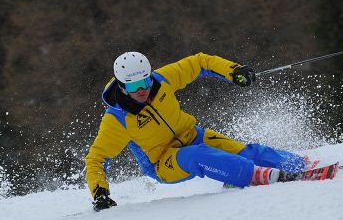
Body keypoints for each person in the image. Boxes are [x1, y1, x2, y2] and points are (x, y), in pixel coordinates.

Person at [85, 52, 308, 211]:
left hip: (192, 135)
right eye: (134, 87)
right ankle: (251, 176)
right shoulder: (117, 119)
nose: (142, 90)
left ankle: (299, 164)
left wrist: (233, 71)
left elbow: (199, 62)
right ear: (123, 86)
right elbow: (96, 158)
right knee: (197, 155)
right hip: (164, 162)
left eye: (145, 81)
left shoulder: (161, 81)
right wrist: (100, 193)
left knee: (245, 151)